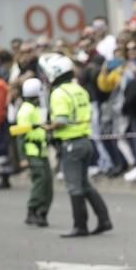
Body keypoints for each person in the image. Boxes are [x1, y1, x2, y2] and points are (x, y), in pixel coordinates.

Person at [38, 53, 113, 238]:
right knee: (84, 184)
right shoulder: (78, 89)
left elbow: (62, 120)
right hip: (85, 141)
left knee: (74, 186)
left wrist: (47, 126)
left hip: (71, 143)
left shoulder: (59, 93)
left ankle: (80, 226)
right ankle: (104, 220)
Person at [16, 78, 53, 227]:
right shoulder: (26, 110)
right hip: (32, 151)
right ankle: (33, 210)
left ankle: (42, 213)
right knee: (40, 181)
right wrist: (23, 157)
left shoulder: (36, 109)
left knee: (47, 183)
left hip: (41, 150)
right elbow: (20, 135)